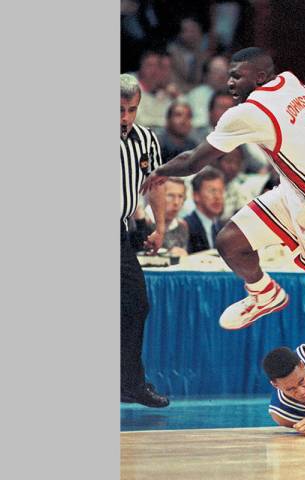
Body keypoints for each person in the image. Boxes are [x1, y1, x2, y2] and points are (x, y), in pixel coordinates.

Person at [141, 47, 305, 330]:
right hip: (295, 195)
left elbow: (194, 161)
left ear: (260, 77)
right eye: (228, 77)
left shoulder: (250, 112)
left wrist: (160, 171)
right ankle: (264, 294)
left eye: (236, 76)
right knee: (230, 241)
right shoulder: (299, 90)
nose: (229, 83)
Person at [119, 73, 170, 407]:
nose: (125, 118)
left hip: (122, 233)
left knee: (137, 305)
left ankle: (131, 384)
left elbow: (155, 184)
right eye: (119, 110)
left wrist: (160, 227)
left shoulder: (145, 140)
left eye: (132, 110)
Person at [135, 177, 190, 257]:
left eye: (180, 196)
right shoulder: (137, 221)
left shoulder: (182, 225)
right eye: (170, 195)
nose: (176, 202)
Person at [183, 166, 225, 253]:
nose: (218, 197)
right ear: (196, 196)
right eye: (212, 191)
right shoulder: (186, 226)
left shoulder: (223, 227)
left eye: (220, 191)